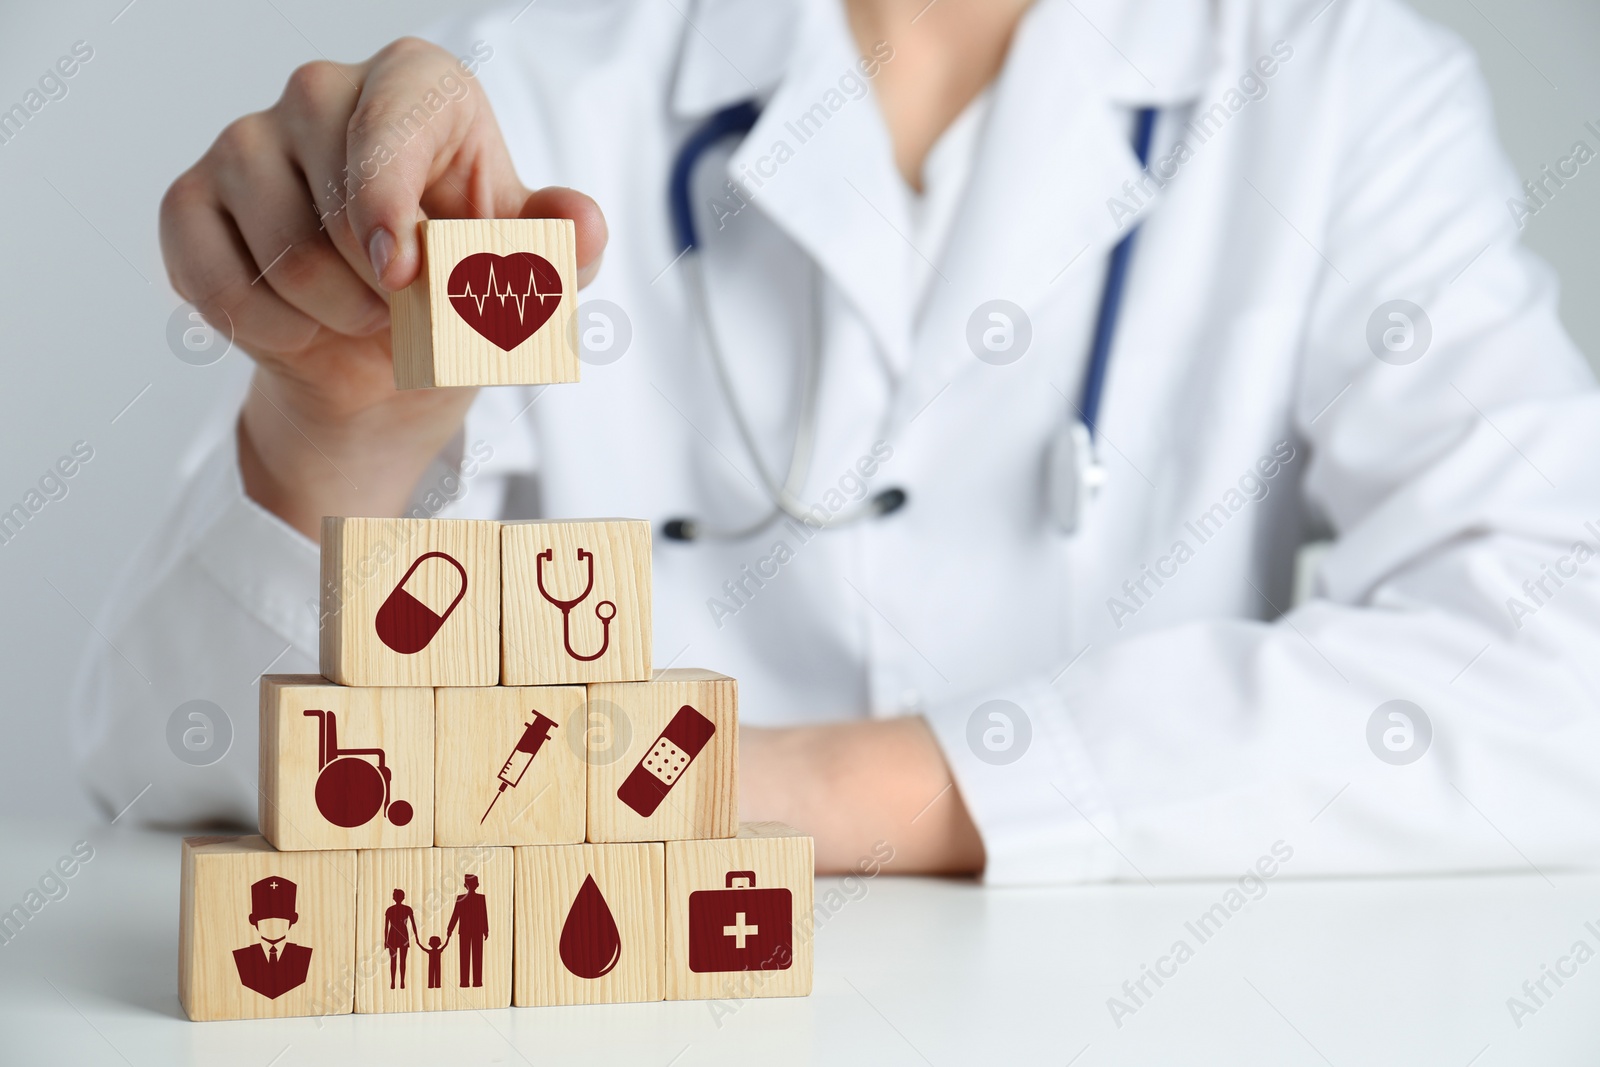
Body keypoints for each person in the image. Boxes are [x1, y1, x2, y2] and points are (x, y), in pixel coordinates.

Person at [72, 0, 1600, 884]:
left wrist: (804, 787)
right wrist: (345, 425)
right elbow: (171, 760)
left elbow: (1568, 653)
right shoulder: (538, 90)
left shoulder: (1340, 87)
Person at [232, 876, 312, 1000]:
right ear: (253, 920)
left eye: (280, 920)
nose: (273, 925)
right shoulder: (242, 956)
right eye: (265, 920)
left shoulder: (303, 955)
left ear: (293, 920)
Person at [445, 874, 489, 987]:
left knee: (465, 957)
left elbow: (456, 915)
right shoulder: (480, 898)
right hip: (476, 930)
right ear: (477, 885)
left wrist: (450, 929)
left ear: (465, 885)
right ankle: (477, 982)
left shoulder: (462, 898)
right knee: (477, 956)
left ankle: (465, 982)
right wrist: (485, 929)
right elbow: (483, 915)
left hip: (466, 931)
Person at [383, 888, 421, 990]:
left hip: (395, 936)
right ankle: (398, 982)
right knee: (400, 961)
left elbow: (386, 927)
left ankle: (396, 982)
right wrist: (416, 937)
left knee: (395, 960)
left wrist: (385, 940)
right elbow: (413, 925)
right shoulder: (405, 909)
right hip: (400, 936)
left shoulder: (391, 909)